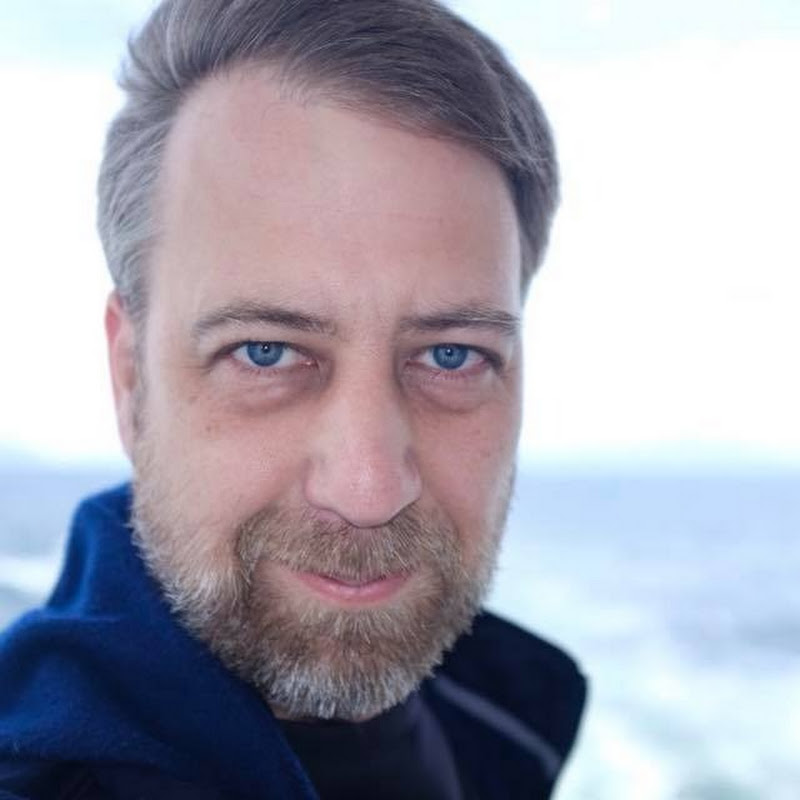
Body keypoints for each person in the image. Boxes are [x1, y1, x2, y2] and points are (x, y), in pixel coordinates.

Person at [0, 1, 586, 798]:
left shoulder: (500, 720)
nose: (368, 489)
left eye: (450, 355)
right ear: (131, 377)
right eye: (265, 352)